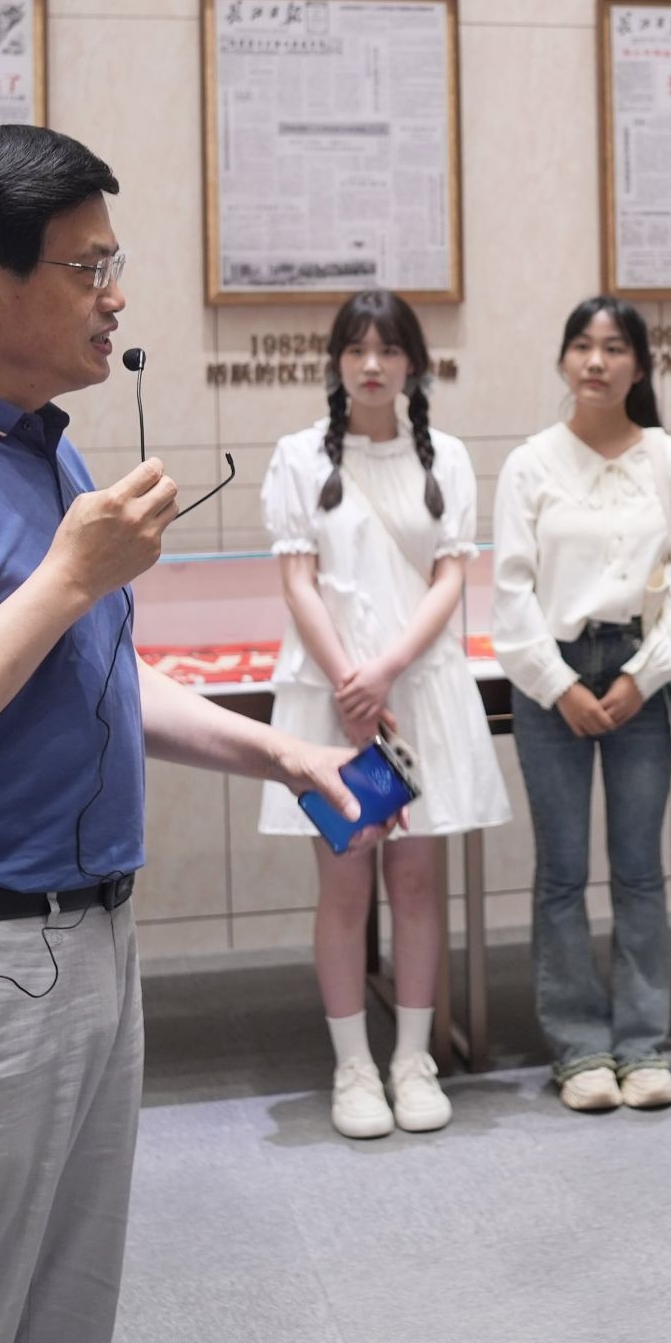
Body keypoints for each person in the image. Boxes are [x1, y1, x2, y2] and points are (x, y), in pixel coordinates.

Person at [0, 124, 375, 1343]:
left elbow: (90, 672)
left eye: (115, 263)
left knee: (59, 1330)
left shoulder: (45, 446)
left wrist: (281, 751)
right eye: (87, 267)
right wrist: (67, 575)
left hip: (89, 935)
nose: (116, 297)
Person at [258, 290, 511, 1140]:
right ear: (337, 362)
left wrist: (388, 671)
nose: (372, 364)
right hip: (334, 703)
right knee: (344, 883)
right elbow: (297, 580)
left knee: (416, 882)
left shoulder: (450, 459)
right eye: (356, 349)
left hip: (418, 693)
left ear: (413, 363)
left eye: (389, 349)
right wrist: (349, 683)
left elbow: (451, 576)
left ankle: (412, 1059)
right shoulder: (298, 457)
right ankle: (354, 1067)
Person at [491, 296, 671, 1113]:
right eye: (582, 345)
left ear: (639, 365)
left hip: (641, 676)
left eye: (615, 347)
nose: (597, 360)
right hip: (551, 674)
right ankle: (579, 1047)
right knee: (560, 871)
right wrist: (560, 687)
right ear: (563, 359)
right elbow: (510, 590)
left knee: (640, 868)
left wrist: (640, 677)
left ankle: (643, 1045)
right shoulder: (530, 463)